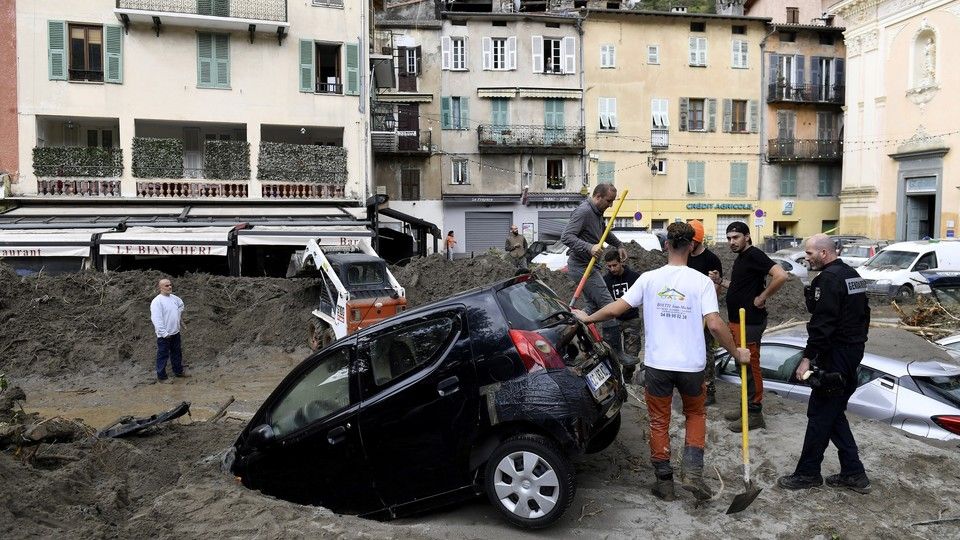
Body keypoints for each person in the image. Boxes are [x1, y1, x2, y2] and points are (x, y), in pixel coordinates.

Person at [575, 222, 750, 502]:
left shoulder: (648, 279)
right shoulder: (702, 282)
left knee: (659, 421)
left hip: (657, 366)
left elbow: (617, 308)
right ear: (692, 246)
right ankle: (692, 472)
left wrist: (588, 317)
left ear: (666, 245)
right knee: (695, 415)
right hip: (692, 367)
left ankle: (664, 482)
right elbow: (715, 325)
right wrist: (737, 352)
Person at [777, 234, 871, 493]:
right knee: (832, 413)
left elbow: (822, 324)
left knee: (820, 415)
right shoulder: (853, 275)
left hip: (835, 355)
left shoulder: (829, 279)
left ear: (824, 253)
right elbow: (864, 316)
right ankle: (854, 472)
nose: (805, 259)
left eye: (809, 254)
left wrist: (807, 358)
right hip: (851, 352)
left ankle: (808, 473)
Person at [717, 221, 788, 431]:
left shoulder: (755, 254)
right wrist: (721, 281)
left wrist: (763, 296)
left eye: (736, 237)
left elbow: (781, 275)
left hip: (750, 322)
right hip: (738, 320)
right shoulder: (742, 258)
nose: (732, 242)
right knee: (742, 365)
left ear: (747, 237)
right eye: (729, 238)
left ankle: (754, 414)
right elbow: (740, 286)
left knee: (749, 366)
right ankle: (745, 408)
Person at [561, 183, 627, 356]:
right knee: (608, 304)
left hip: (590, 266)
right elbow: (566, 236)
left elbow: (604, 231)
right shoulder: (583, 211)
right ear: (597, 196)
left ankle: (568, 329)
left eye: (613, 201)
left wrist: (618, 244)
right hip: (581, 267)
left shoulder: (597, 213)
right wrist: (589, 247)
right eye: (608, 201)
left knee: (592, 304)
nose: (611, 205)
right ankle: (616, 353)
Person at [685, 220, 724, 406]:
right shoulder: (684, 257)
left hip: (705, 313)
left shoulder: (711, 260)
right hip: (686, 312)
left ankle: (709, 390)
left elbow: (717, 286)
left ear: (698, 240)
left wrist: (705, 307)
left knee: (706, 351)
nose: (688, 244)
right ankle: (690, 385)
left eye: (691, 241)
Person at [601, 249, 643, 382]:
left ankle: (628, 381)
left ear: (621, 262)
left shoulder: (634, 277)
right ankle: (615, 381)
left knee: (631, 356)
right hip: (613, 321)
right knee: (610, 353)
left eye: (615, 265)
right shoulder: (605, 280)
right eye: (609, 266)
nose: (612, 269)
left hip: (632, 320)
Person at [150, 278, 188, 384]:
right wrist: (164, 333)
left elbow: (181, 305)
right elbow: (156, 319)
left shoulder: (174, 298)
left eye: (170, 285)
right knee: (163, 355)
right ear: (160, 287)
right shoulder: (157, 301)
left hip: (175, 332)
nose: (169, 287)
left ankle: (178, 371)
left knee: (177, 353)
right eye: (166, 285)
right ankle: (161, 377)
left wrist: (179, 317)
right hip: (164, 335)